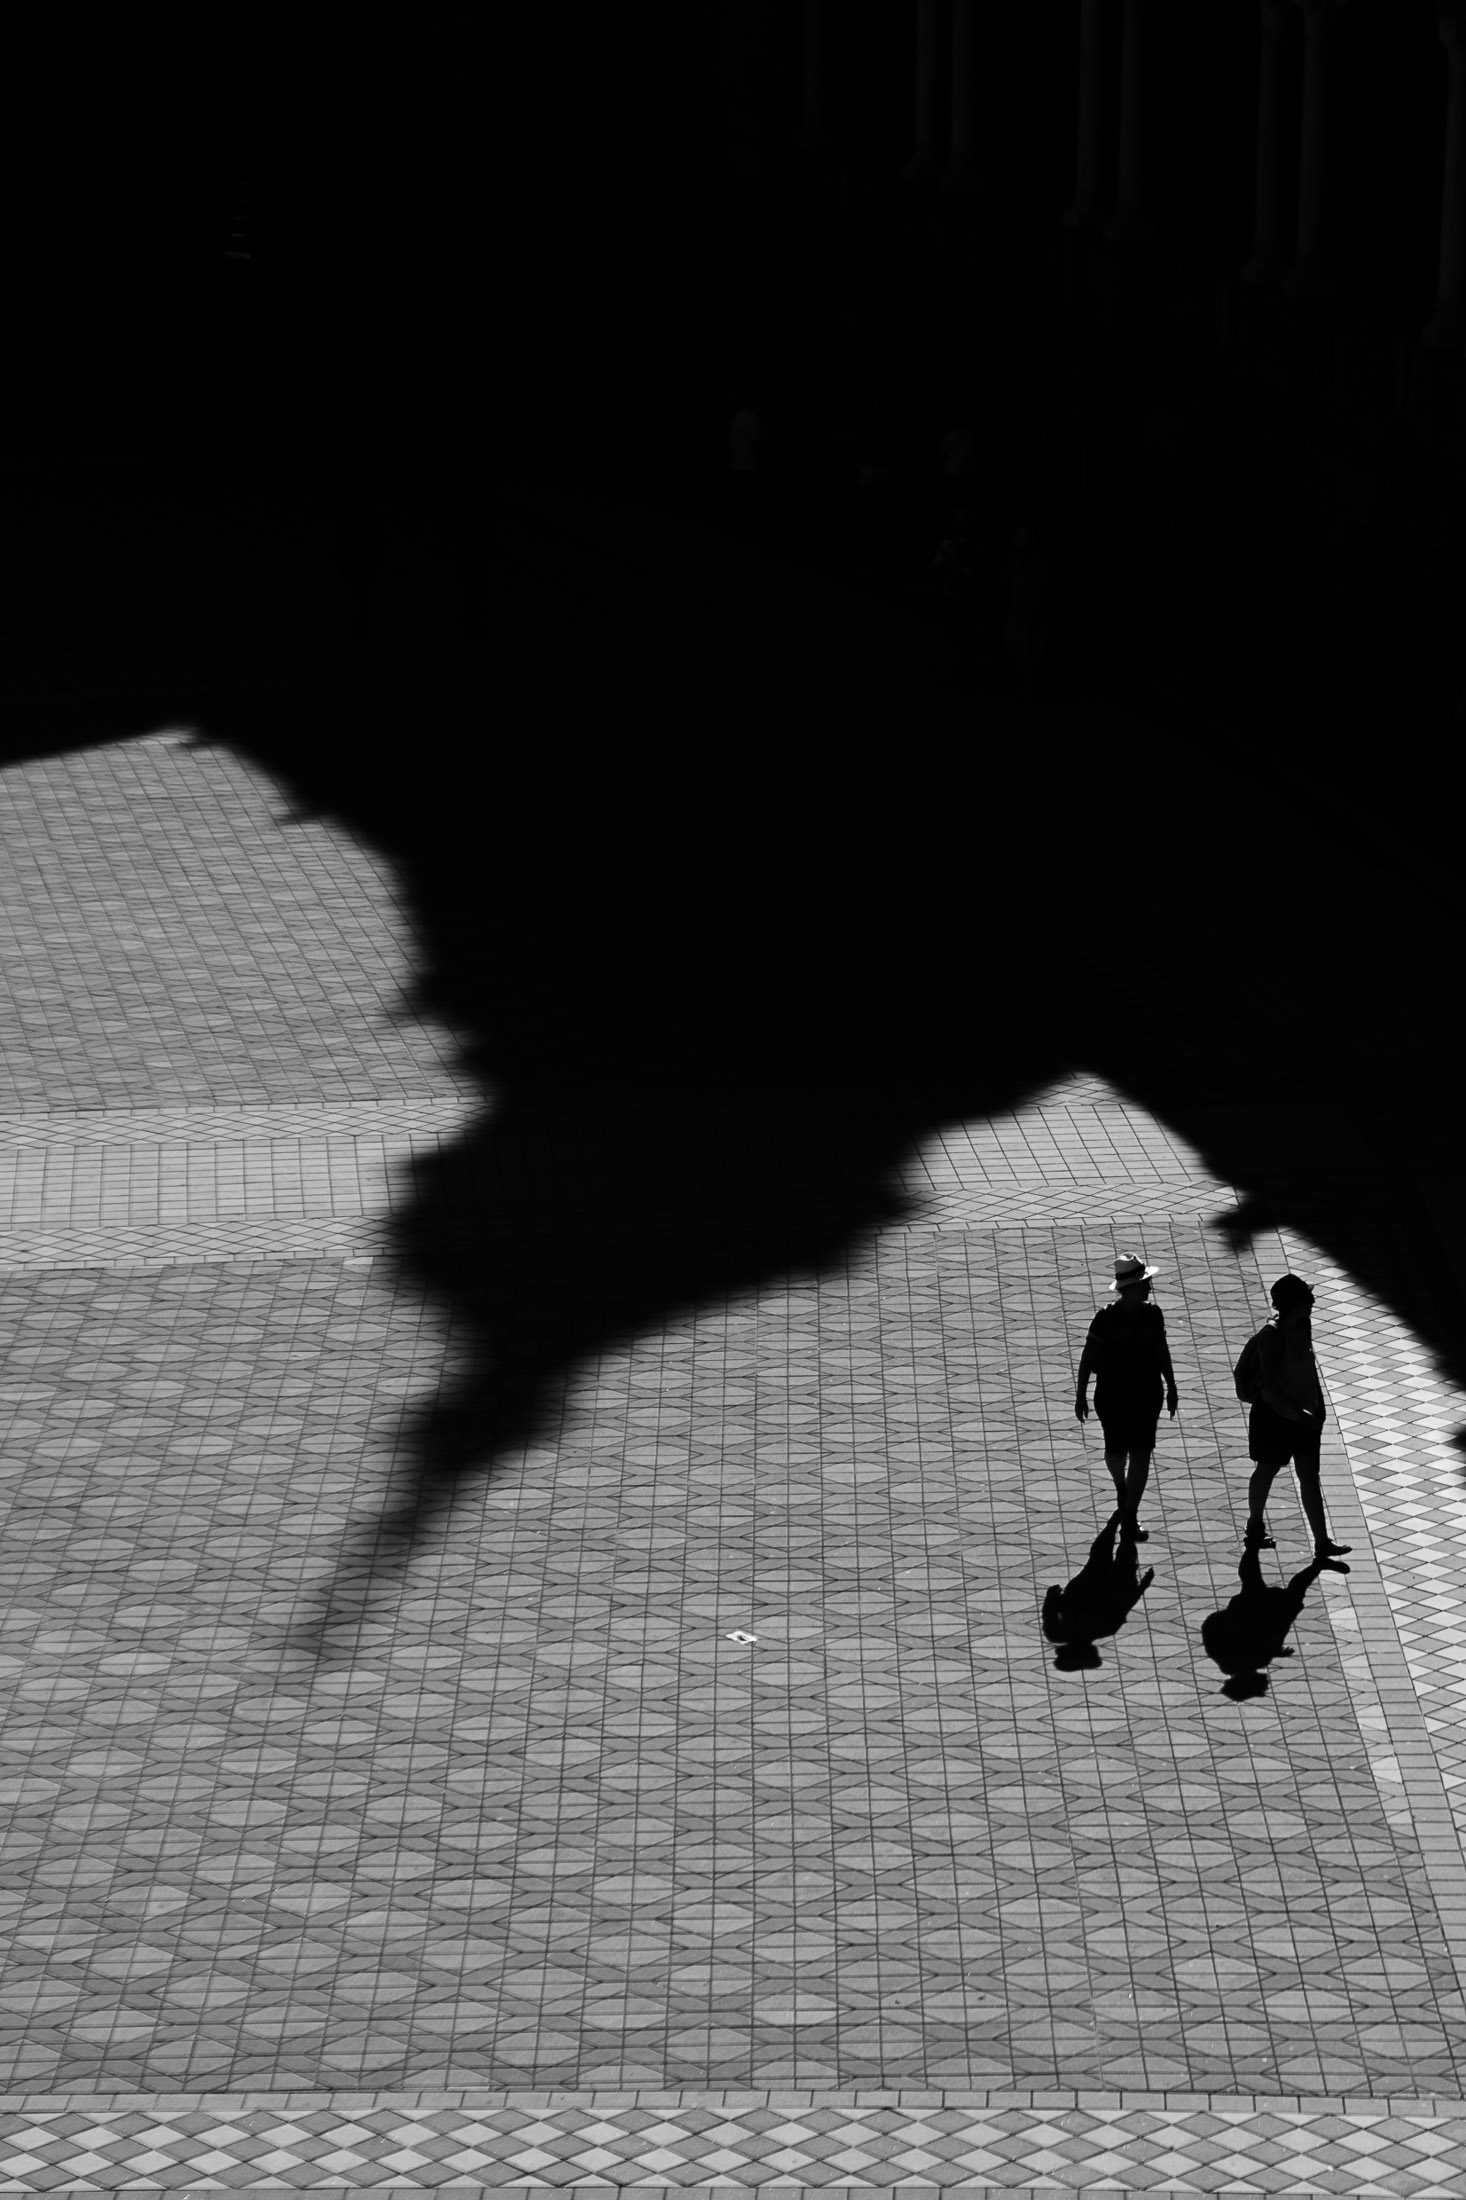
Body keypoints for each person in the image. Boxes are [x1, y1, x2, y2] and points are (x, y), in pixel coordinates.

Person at [1234, 1275, 1351, 1564]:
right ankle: (1254, 1526)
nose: (1312, 1301)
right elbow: (1271, 1388)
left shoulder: (1304, 1325)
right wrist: (1300, 1415)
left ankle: (1322, 1543)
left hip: (1306, 1417)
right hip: (1276, 1417)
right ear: (1294, 1304)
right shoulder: (1273, 1335)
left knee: (1310, 1477)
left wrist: (1317, 1407)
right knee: (1267, 1470)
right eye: (1306, 1298)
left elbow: (1307, 1369)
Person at [1074, 1254, 1179, 1542]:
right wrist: (1080, 1394)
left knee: (1142, 1453)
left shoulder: (1153, 1315)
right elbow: (1088, 1357)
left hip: (1147, 1394)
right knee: (1116, 1452)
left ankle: (1130, 1515)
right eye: (1146, 1283)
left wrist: (1171, 1386)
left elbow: (1161, 1351)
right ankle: (1121, 1485)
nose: (1150, 1288)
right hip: (1112, 1395)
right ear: (1131, 1288)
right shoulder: (1106, 1318)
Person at [730, 390, 770, 547]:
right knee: (749, 503)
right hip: (749, 467)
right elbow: (756, 444)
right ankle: (748, 535)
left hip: (736, 464)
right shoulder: (753, 420)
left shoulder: (737, 418)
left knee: (741, 501)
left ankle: (741, 533)